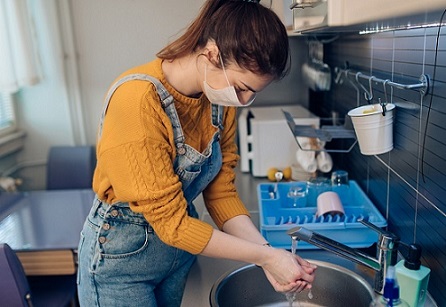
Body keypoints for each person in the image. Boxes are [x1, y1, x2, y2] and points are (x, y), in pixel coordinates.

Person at [76, 0, 317, 306]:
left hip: (178, 254)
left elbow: (221, 194)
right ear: (212, 53)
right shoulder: (137, 103)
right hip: (122, 265)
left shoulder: (219, 101)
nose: (243, 102)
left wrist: (269, 256)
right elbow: (173, 225)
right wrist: (265, 256)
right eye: (242, 88)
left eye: (253, 93)